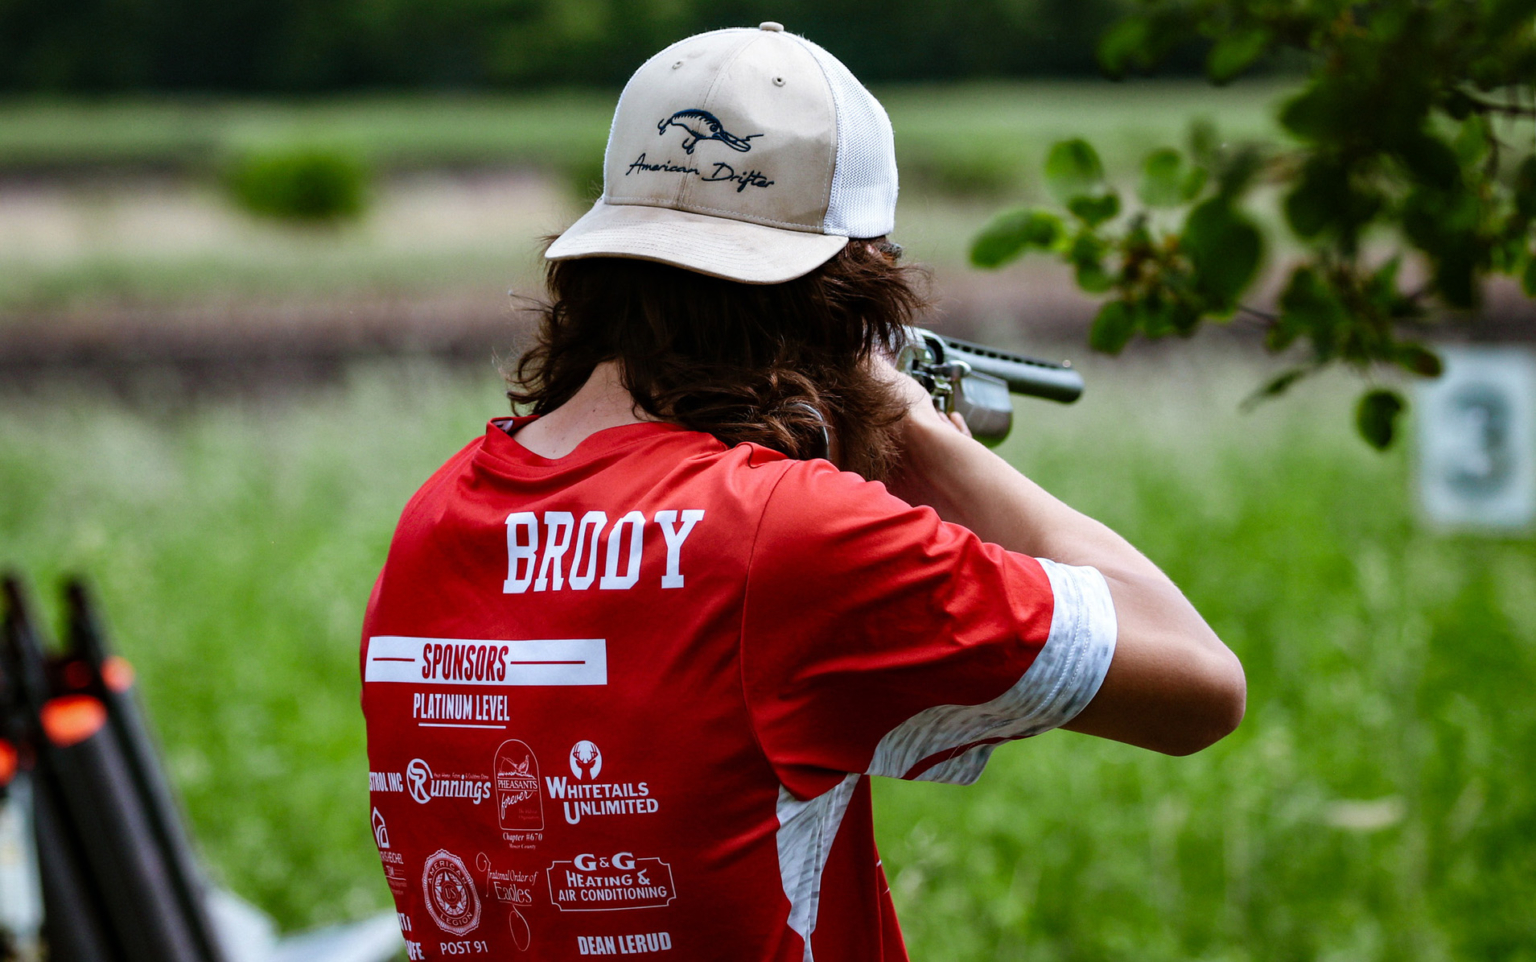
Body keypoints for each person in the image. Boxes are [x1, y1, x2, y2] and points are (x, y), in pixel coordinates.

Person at [360, 22, 1244, 962]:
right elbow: (1198, 684)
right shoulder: (786, 533)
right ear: (852, 290)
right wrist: (917, 432)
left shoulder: (438, 513)